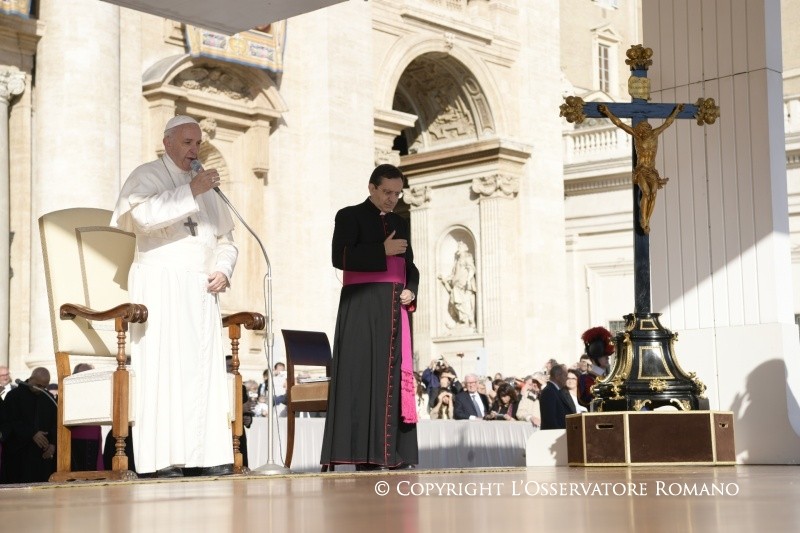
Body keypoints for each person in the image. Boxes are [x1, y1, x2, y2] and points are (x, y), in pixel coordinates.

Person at [111, 115, 237, 478]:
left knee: (203, 373)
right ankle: (162, 459)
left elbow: (226, 240)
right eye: (187, 142)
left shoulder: (205, 186)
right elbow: (144, 218)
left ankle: (208, 456)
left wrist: (224, 269)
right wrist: (191, 191)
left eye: (197, 143)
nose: (194, 150)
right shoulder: (147, 175)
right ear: (167, 142)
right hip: (160, 286)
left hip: (201, 291)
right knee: (164, 371)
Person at [321, 163, 420, 471]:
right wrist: (382, 250)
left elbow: (410, 265)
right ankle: (366, 456)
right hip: (363, 309)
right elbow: (339, 257)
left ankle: (394, 454)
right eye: (387, 192)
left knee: (393, 377)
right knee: (365, 378)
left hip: (394, 308)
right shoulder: (349, 215)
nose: (392, 199)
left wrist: (412, 288)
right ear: (372, 188)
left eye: (397, 194)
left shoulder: (399, 221)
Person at [598, 103, 684, 234]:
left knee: (654, 192)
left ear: (649, 129)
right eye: (642, 128)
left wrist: (676, 111)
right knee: (646, 192)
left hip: (652, 171)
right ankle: (643, 220)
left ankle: (648, 219)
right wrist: (607, 112)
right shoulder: (637, 136)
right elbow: (620, 124)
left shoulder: (654, 134)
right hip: (641, 170)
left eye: (646, 128)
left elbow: (667, 123)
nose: (644, 130)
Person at [0, 368, 57, 483]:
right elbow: (9, 422)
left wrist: (53, 444)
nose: (41, 389)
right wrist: (32, 433)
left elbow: (55, 423)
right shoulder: (14, 396)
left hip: (42, 456)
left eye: (44, 386)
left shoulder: (48, 398)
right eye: (38, 385)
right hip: (20, 456)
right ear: (31, 379)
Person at [578, 326, 614, 408]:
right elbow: (586, 400)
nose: (607, 357)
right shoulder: (584, 379)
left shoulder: (610, 377)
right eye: (603, 355)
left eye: (607, 355)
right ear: (594, 357)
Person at [539, 364, 576, 430]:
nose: (566, 379)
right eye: (565, 376)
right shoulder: (549, 392)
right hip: (555, 434)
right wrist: (560, 433)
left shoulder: (557, 391)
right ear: (557, 376)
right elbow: (550, 419)